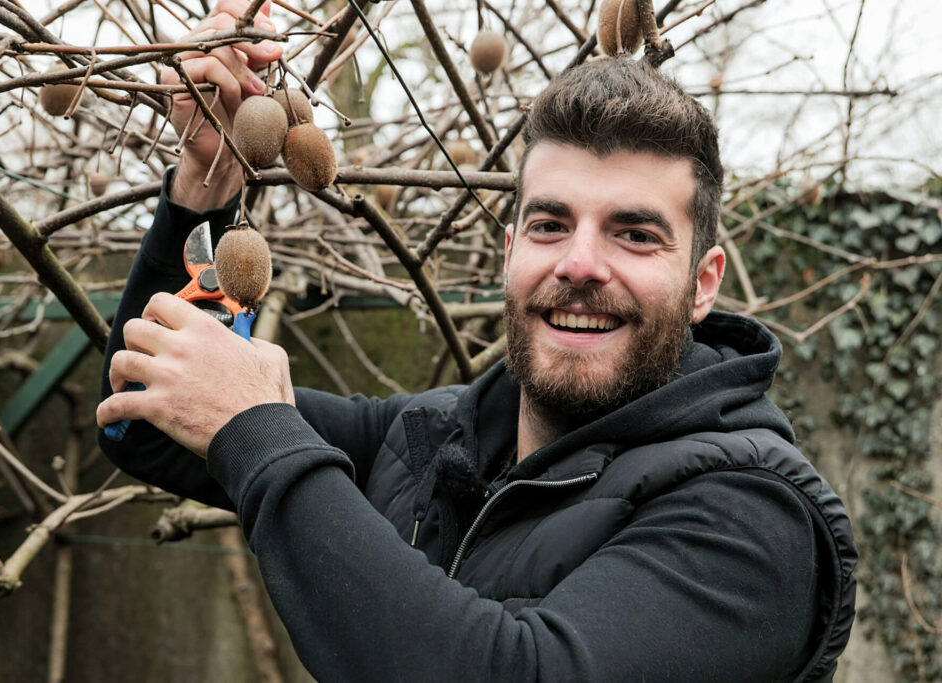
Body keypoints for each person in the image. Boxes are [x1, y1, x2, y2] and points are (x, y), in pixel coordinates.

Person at [96, 3, 857, 680]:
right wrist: (209, 186)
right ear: (509, 251)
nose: (580, 264)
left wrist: (259, 429)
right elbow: (146, 411)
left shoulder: (753, 518)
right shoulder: (427, 439)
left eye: (635, 234)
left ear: (703, 282)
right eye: (550, 224)